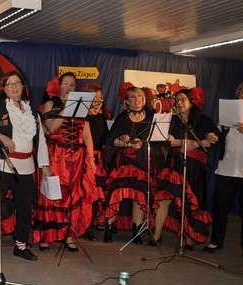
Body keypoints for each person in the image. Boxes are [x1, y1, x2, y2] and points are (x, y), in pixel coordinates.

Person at [0, 71, 48, 262]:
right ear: (5, 88)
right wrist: (1, 138)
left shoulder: (32, 112)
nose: (15, 87)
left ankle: (21, 245)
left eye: (18, 83)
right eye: (10, 84)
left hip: (26, 167)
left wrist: (44, 164)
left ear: (23, 87)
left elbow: (41, 140)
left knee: (25, 207)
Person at [32, 72, 98, 252]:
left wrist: (91, 159)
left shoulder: (81, 107)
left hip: (76, 158)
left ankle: (68, 235)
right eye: (66, 84)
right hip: (55, 156)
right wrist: (67, 108)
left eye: (72, 85)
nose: (69, 88)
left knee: (72, 196)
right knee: (52, 196)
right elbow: (51, 127)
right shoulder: (50, 104)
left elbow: (86, 134)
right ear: (57, 86)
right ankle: (46, 236)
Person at [205, 80, 243, 259]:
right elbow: (218, 134)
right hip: (227, 168)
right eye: (242, 91)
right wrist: (212, 136)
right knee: (220, 206)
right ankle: (216, 241)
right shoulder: (228, 114)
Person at [103, 83, 171, 244]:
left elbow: (158, 141)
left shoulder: (152, 116)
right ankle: (109, 227)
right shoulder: (122, 117)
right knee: (116, 194)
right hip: (124, 162)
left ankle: (137, 230)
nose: (136, 99)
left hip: (143, 162)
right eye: (133, 96)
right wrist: (125, 142)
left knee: (139, 196)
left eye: (139, 96)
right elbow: (112, 141)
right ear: (126, 101)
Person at [152, 88, 219, 248]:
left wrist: (201, 142)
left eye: (183, 99)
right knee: (163, 198)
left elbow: (212, 140)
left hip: (194, 166)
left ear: (192, 101)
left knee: (190, 202)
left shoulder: (204, 120)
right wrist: (182, 142)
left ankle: (190, 237)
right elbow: (166, 141)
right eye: (177, 99)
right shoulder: (171, 120)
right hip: (174, 163)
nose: (179, 102)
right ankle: (156, 234)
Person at [82, 83, 112, 240]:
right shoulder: (82, 115)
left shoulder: (102, 115)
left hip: (100, 159)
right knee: (87, 194)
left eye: (100, 97)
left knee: (97, 195)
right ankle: (84, 226)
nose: (99, 100)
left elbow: (105, 136)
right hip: (87, 157)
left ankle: (91, 225)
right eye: (95, 97)